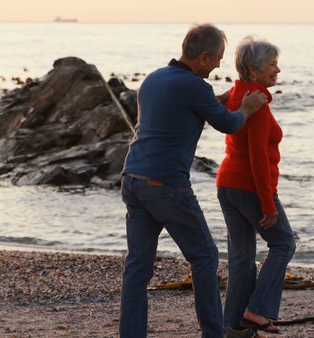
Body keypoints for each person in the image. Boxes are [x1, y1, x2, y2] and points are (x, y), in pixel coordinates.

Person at [119, 24, 268, 338]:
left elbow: (194, 106)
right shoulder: (195, 88)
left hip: (132, 179)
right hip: (166, 186)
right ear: (203, 57)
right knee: (204, 256)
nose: (217, 66)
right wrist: (248, 107)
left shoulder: (154, 78)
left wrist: (229, 97)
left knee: (138, 268)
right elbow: (228, 123)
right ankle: (214, 333)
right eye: (216, 60)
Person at [216, 36, 296, 335]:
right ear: (253, 69)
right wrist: (268, 205)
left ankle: (233, 326)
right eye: (272, 65)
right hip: (248, 185)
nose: (278, 70)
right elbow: (258, 160)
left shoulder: (238, 93)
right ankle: (257, 310)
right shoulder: (257, 104)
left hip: (227, 183)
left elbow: (227, 99)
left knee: (241, 257)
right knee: (283, 243)